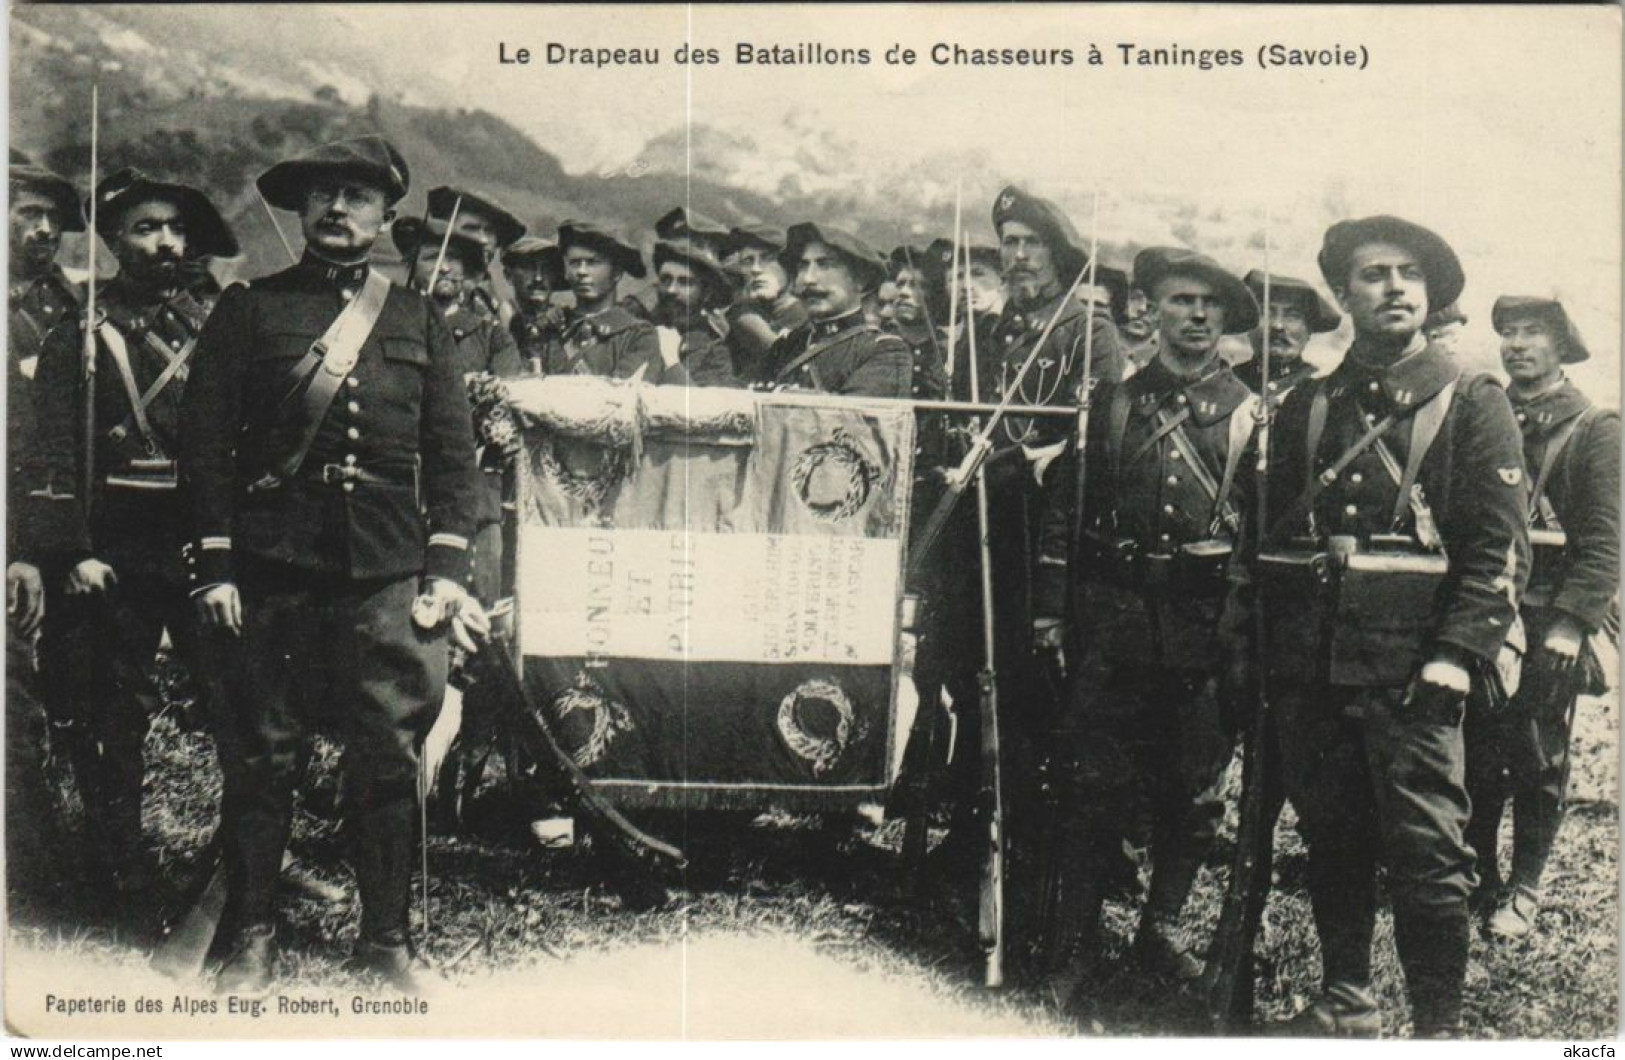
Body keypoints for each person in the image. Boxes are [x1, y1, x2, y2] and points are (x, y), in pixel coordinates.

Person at [178, 135, 486, 994]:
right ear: (300, 212)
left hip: (385, 571)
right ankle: (252, 937)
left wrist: (445, 568)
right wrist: (216, 563)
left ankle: (384, 943)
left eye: (355, 196)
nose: (337, 209)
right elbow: (202, 450)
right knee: (261, 754)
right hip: (273, 565)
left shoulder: (417, 319)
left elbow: (453, 460)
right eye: (321, 196)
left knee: (386, 757)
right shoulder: (249, 309)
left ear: (386, 216)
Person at [1254, 216, 1528, 1037]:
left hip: (1416, 674)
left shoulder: (1472, 401)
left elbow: (1497, 551)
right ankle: (1347, 1000)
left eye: (1409, 273)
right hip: (1314, 665)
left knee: (1429, 855)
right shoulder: (1307, 403)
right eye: (1373, 274)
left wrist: (1455, 656)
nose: (1394, 287)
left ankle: (1436, 1030)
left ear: (1430, 292)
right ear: (1343, 296)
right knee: (1332, 833)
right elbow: (1266, 538)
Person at [1046, 248, 1261, 986]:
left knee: (1194, 792)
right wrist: (1054, 614)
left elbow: (1260, 534)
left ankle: (1158, 930)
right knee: (1095, 782)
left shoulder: (1250, 415)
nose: (1196, 316)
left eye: (1209, 304)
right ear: (1149, 310)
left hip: (1208, 631)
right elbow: (1064, 516)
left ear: (1226, 320)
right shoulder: (1110, 404)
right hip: (1116, 625)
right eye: (1179, 301)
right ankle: (1074, 935)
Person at [32, 168, 239, 903]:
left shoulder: (224, 323)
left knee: (235, 706)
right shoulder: (81, 328)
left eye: (176, 228)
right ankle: (120, 866)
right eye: (147, 227)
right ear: (116, 238)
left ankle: (243, 865)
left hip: (204, 542)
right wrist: (72, 549)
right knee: (114, 713)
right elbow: (50, 443)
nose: (165, 242)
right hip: (114, 547)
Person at [1464, 295, 1617, 940]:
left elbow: (1608, 543)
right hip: (1484, 607)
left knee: (1536, 753)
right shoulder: (1488, 412)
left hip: (1549, 612)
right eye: (1509, 333)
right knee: (1475, 747)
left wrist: (1569, 624)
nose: (1518, 345)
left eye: (1533, 334)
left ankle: (1524, 886)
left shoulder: (1596, 427)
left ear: (1563, 346)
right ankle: (1481, 876)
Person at [6, 153, 83, 906]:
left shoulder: (65, 307)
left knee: (63, 688)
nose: (43, 229)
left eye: (53, 217)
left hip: (60, 526)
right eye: (25, 211)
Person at [759, 221, 911, 397]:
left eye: (824, 264)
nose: (808, 279)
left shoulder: (884, 351)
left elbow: (856, 420)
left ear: (861, 279)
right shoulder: (788, 347)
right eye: (802, 266)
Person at [537, 221, 679, 383]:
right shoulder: (552, 328)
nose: (582, 271)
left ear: (616, 273)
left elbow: (624, 397)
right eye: (575, 263)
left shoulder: (637, 335)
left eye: (593, 263)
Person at [425, 185, 526, 323]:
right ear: (447, 233)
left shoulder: (500, 309)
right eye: (471, 228)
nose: (483, 240)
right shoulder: (426, 290)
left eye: (489, 231)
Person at [1234, 269, 1339, 401]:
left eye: (1293, 316)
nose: (1278, 325)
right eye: (1266, 313)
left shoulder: (1325, 390)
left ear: (1309, 330)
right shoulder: (1227, 383)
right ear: (1249, 324)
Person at [721, 223, 806, 384]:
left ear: (788, 267)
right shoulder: (733, 317)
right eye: (748, 260)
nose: (755, 269)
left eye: (767, 259)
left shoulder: (808, 319)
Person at [651, 240, 737, 386]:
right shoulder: (635, 331)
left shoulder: (714, 352)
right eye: (666, 280)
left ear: (706, 293)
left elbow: (704, 405)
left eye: (685, 282)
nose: (671, 290)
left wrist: (671, 361)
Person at [502, 236, 567, 373]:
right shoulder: (496, 321)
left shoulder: (567, 323)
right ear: (509, 275)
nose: (538, 277)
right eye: (528, 267)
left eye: (547, 268)